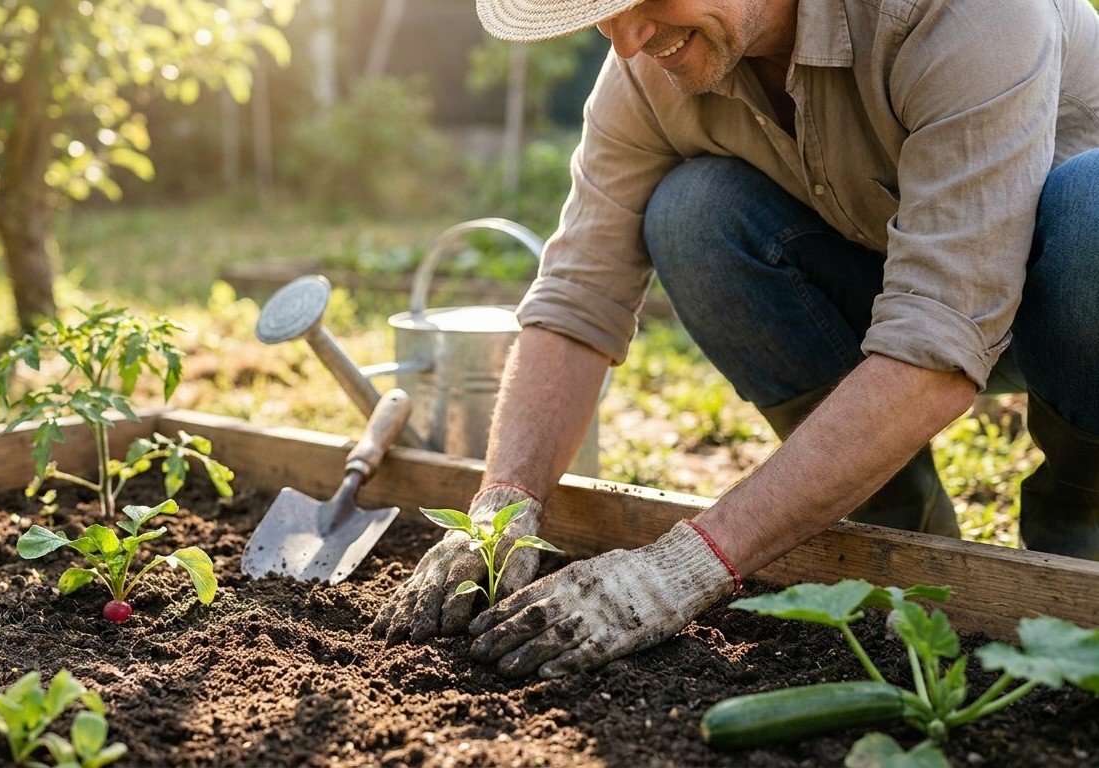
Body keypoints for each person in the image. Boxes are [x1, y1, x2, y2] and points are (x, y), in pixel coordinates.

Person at [370, 0, 1099, 679]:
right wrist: (501, 509)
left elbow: (940, 333)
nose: (625, 40)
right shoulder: (649, 65)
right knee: (694, 212)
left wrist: (683, 568)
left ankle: (1077, 533)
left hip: (1067, 309)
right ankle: (892, 533)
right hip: (905, 300)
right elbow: (576, 293)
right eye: (605, 14)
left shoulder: (962, 14)